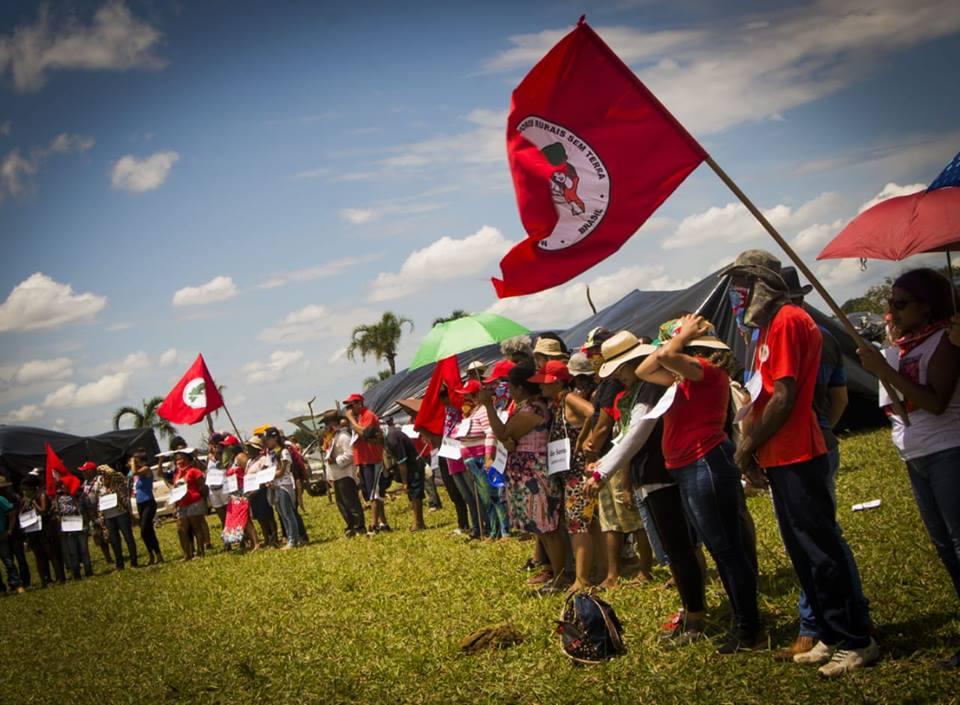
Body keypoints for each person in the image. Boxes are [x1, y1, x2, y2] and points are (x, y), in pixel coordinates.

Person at [727, 249, 875, 677]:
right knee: (802, 552)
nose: (738, 295)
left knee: (820, 549)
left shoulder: (789, 320)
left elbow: (785, 396)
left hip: (799, 450)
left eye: (743, 285)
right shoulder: (769, 327)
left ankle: (856, 638)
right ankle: (830, 633)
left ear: (760, 284)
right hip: (779, 453)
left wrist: (746, 445)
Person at [855, 267, 960, 670]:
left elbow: (934, 401)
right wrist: (885, 365)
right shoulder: (903, 345)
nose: (890, 311)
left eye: (900, 304)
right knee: (945, 548)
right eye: (889, 303)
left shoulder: (945, 342)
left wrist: (883, 371)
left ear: (926, 305)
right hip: (916, 455)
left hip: (949, 449)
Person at [637, 317, 760, 653]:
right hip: (690, 466)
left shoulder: (706, 371)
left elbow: (666, 357)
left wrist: (684, 336)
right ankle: (745, 622)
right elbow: (645, 369)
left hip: (704, 462)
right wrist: (677, 340)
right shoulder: (686, 378)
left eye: (688, 348)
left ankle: (749, 627)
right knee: (722, 547)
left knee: (726, 550)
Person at [776, 266, 869, 660]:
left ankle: (839, 623)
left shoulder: (817, 337)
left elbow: (839, 397)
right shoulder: (774, 338)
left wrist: (822, 427)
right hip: (793, 447)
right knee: (806, 538)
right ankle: (826, 625)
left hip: (811, 445)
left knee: (822, 537)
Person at [587, 341, 708, 644]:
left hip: (661, 472)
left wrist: (603, 470)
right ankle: (692, 608)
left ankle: (695, 615)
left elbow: (636, 433)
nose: (618, 377)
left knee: (681, 549)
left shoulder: (650, 389)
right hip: (649, 474)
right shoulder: (636, 392)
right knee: (676, 550)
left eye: (621, 369)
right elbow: (627, 436)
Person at [481, 366, 567, 594]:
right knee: (541, 528)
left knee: (548, 528)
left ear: (519, 388)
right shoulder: (527, 408)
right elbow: (508, 437)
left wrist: (488, 405)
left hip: (534, 473)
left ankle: (559, 577)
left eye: (510, 386)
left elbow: (503, 433)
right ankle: (556, 573)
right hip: (526, 473)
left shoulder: (533, 409)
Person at [530, 359, 597, 593]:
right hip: (568, 472)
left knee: (578, 525)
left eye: (545, 383)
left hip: (577, 472)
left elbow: (592, 413)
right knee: (581, 524)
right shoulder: (557, 404)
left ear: (557, 382)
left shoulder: (568, 398)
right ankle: (588, 573)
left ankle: (582, 579)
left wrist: (584, 438)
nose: (541, 387)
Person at [344, 393, 390, 533]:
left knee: (374, 494)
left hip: (372, 459)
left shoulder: (368, 415)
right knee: (370, 493)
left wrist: (351, 419)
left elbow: (365, 433)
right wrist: (358, 464)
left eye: (351, 405)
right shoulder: (358, 418)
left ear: (359, 404)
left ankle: (373, 525)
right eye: (348, 406)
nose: (349, 409)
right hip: (363, 460)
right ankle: (383, 523)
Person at [451, 380, 492, 539]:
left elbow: (489, 433)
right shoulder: (471, 413)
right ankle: (485, 528)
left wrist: (488, 456)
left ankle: (490, 528)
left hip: (480, 457)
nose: (466, 398)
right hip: (470, 459)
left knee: (486, 496)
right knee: (479, 495)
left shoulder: (482, 411)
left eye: (468, 394)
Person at [20, 472, 66, 585]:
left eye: (27, 490)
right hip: (34, 531)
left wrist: (33, 503)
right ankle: (45, 579)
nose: (25, 492)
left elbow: (43, 511)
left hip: (47, 529)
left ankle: (60, 577)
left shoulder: (41, 495)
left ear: (33, 488)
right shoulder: (25, 501)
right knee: (39, 556)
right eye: (23, 490)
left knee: (52, 554)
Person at [263, 427, 304, 549]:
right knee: (281, 513)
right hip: (275, 486)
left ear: (275, 438)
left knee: (288, 513)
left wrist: (268, 475)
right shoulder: (270, 453)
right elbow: (267, 468)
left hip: (284, 485)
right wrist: (266, 478)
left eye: (268, 439)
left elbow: (281, 471)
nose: (266, 442)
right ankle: (291, 538)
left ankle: (294, 539)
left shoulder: (284, 452)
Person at [326, 415, 367, 537]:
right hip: (336, 475)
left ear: (334, 424)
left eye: (328, 424)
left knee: (351, 502)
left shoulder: (344, 437)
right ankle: (350, 526)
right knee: (342, 504)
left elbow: (350, 454)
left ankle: (359, 527)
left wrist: (335, 460)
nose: (326, 427)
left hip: (345, 474)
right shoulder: (332, 439)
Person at [385, 416, 428, 532]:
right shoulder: (390, 435)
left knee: (415, 494)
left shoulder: (392, 438)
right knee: (413, 494)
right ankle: (418, 522)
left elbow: (402, 462)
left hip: (414, 466)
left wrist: (404, 482)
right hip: (410, 466)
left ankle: (419, 523)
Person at [52, 473, 92, 580]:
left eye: (64, 485)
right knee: (72, 552)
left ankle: (88, 571)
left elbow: (88, 508)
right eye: (61, 486)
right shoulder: (59, 499)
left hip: (81, 527)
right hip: (68, 528)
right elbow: (57, 512)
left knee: (84, 550)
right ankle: (76, 574)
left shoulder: (81, 496)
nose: (62, 487)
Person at [171, 449, 208, 560]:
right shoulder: (177, 474)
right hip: (181, 504)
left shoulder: (193, 471)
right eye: (177, 459)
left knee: (196, 528)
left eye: (181, 458)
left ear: (187, 459)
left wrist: (203, 500)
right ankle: (187, 554)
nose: (179, 461)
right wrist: (175, 506)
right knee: (181, 529)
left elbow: (202, 485)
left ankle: (200, 552)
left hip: (194, 502)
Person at [129, 448, 163, 565]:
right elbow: (132, 477)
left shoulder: (146, 469)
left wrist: (133, 463)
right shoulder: (137, 474)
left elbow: (134, 472)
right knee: (148, 531)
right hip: (140, 503)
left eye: (136, 460)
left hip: (149, 502)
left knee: (144, 530)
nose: (135, 463)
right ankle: (154, 555)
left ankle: (156, 553)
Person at [243, 436, 278, 547]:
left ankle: (274, 538)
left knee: (268, 516)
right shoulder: (249, 461)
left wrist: (257, 489)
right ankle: (266, 538)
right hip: (252, 493)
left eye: (250, 447)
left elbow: (264, 475)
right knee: (259, 517)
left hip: (261, 491)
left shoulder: (263, 459)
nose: (248, 450)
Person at [78, 460, 112, 568]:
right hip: (91, 513)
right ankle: (108, 558)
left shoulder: (99, 480)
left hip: (101, 510)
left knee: (109, 533)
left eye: (85, 471)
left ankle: (116, 553)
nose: (83, 473)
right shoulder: (85, 483)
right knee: (99, 536)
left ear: (92, 471)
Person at [0, 476, 25, 594]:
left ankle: (16, 584)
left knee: (8, 561)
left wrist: (9, 529)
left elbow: (12, 513)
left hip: (1, 536)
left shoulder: (1, 499)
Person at [205, 434, 230, 547]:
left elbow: (223, 465)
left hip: (223, 487)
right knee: (222, 517)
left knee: (229, 514)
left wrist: (217, 453)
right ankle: (227, 540)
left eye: (211, 443)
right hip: (213, 489)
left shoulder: (224, 453)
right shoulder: (208, 457)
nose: (209, 446)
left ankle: (239, 538)